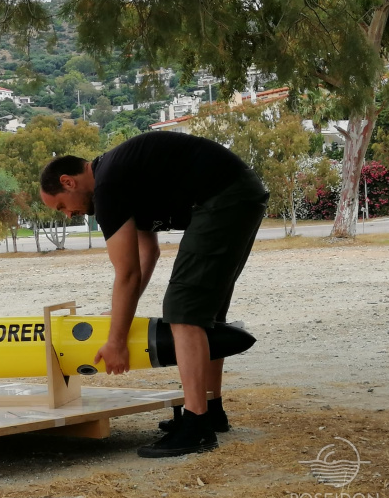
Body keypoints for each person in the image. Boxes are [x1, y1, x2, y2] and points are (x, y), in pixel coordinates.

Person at [39, 132, 268, 458]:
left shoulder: (107, 186)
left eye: (62, 205)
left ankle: (196, 425)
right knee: (203, 314)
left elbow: (128, 272)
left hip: (224, 197)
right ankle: (210, 411)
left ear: (69, 181)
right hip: (236, 193)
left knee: (183, 310)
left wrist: (117, 340)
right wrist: (118, 316)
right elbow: (147, 255)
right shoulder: (120, 176)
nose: (67, 214)